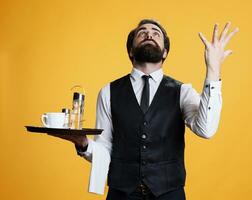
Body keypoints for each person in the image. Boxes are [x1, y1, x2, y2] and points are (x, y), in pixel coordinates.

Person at [50, 19, 238, 200]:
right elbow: (105, 149)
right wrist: (83, 143)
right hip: (121, 194)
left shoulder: (182, 91)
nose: (149, 34)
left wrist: (213, 70)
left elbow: (206, 129)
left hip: (169, 194)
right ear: (131, 50)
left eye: (156, 34)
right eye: (142, 33)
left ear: (164, 52)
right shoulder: (108, 92)